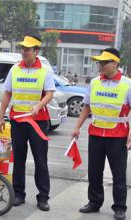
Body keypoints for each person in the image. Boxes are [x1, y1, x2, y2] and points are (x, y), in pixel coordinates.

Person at [0, 35, 56, 211]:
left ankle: (43, 197)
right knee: (19, 159)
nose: (23, 52)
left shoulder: (45, 70)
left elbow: (50, 93)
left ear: (36, 51)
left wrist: (39, 105)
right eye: (22, 48)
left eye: (27, 49)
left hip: (38, 121)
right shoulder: (15, 69)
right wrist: (1, 116)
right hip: (17, 120)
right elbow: (7, 93)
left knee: (40, 160)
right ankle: (18, 194)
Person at [71, 48, 129, 220]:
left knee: (118, 173)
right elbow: (87, 106)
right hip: (95, 133)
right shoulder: (95, 82)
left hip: (117, 136)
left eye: (104, 62)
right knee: (94, 171)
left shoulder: (127, 84)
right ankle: (94, 202)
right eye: (100, 62)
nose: (101, 65)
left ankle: (119, 207)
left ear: (115, 63)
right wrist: (77, 126)